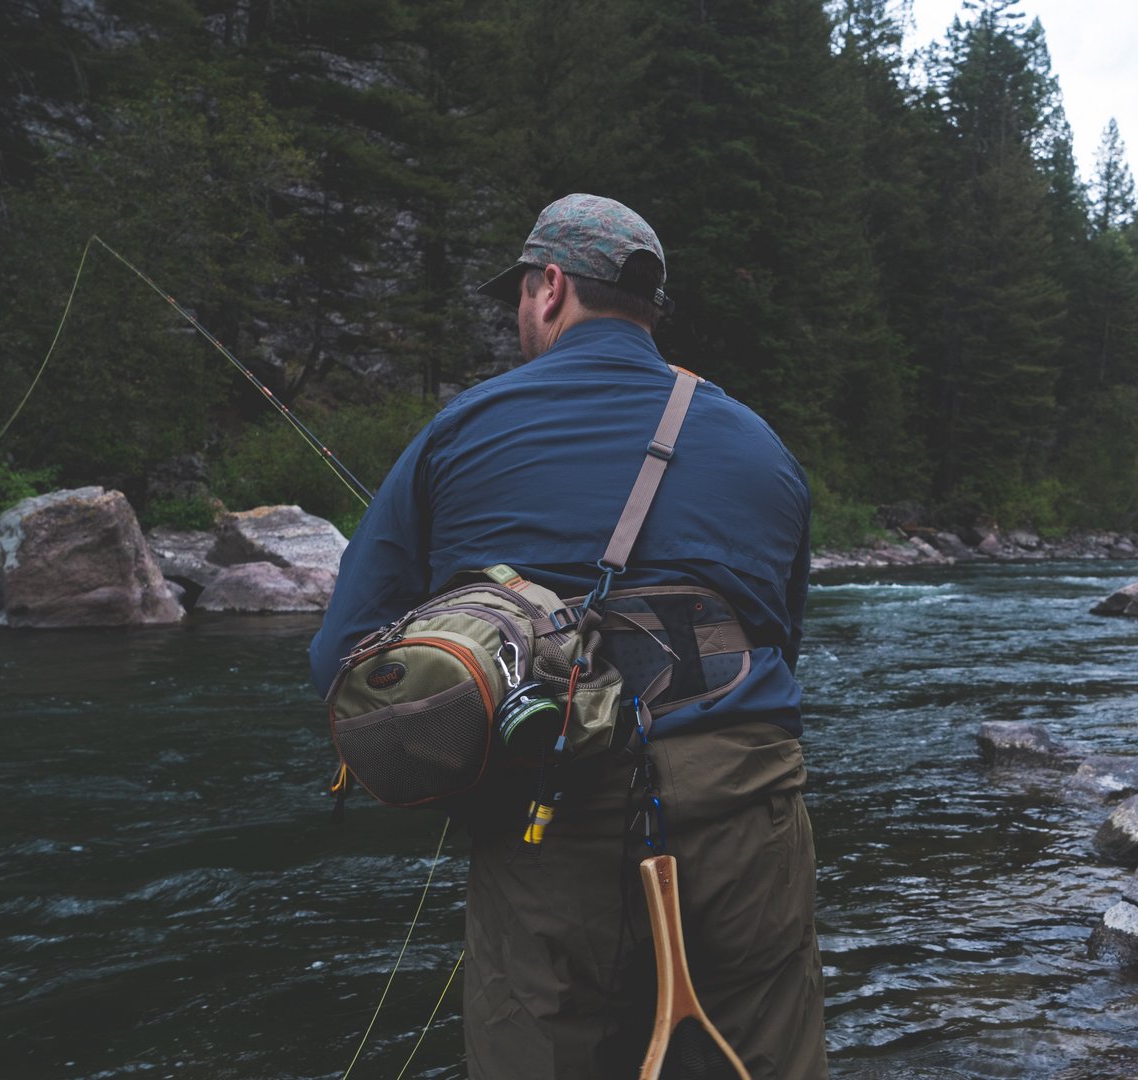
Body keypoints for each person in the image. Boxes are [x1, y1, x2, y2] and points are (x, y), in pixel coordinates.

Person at [309, 193, 827, 1079]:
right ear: (648, 308)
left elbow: (345, 659)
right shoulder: (761, 446)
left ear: (549, 288)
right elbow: (781, 638)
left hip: (543, 816)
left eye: (520, 293)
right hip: (744, 811)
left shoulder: (461, 430)